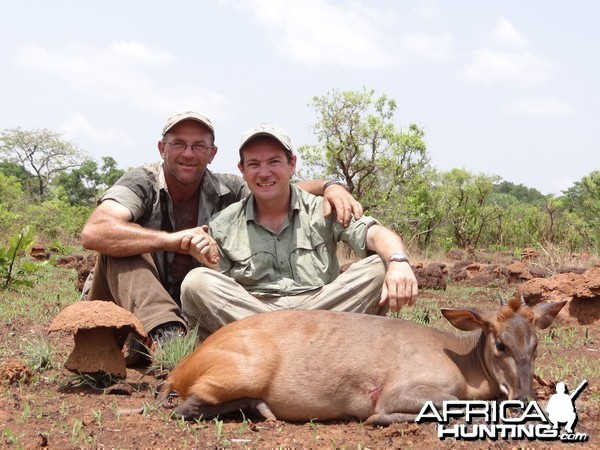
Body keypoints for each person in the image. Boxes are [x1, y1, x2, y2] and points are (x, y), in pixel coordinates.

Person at [80, 111, 362, 349]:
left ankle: (203, 341)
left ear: (212, 153)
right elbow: (95, 231)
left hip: (196, 315)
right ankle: (167, 339)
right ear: (161, 149)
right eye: (178, 144)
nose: (188, 154)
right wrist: (170, 241)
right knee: (123, 248)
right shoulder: (141, 182)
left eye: (199, 146)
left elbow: (277, 189)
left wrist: (331, 186)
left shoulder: (228, 190)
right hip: (131, 314)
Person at [181, 123, 418, 339]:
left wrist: (398, 260)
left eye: (274, 162)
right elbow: (222, 288)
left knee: (381, 265)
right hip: (256, 314)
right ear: (242, 169)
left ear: (292, 164)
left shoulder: (323, 207)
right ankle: (303, 342)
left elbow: (375, 234)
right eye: (254, 164)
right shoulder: (223, 223)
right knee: (196, 282)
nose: (264, 173)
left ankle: (277, 343)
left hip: (323, 310)